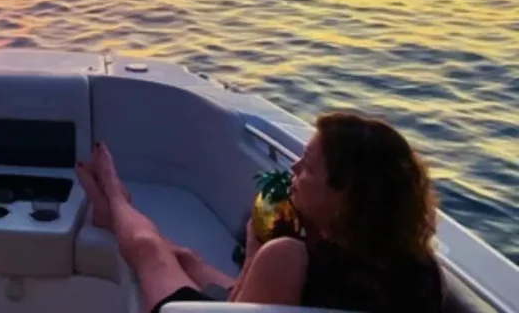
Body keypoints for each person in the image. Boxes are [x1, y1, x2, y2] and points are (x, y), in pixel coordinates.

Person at [75, 112, 443, 313]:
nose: (295, 169)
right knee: (187, 258)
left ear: (346, 197)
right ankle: (113, 215)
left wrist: (254, 251)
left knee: (147, 250)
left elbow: (236, 309)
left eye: (310, 166)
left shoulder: (286, 255)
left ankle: (115, 197)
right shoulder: (421, 271)